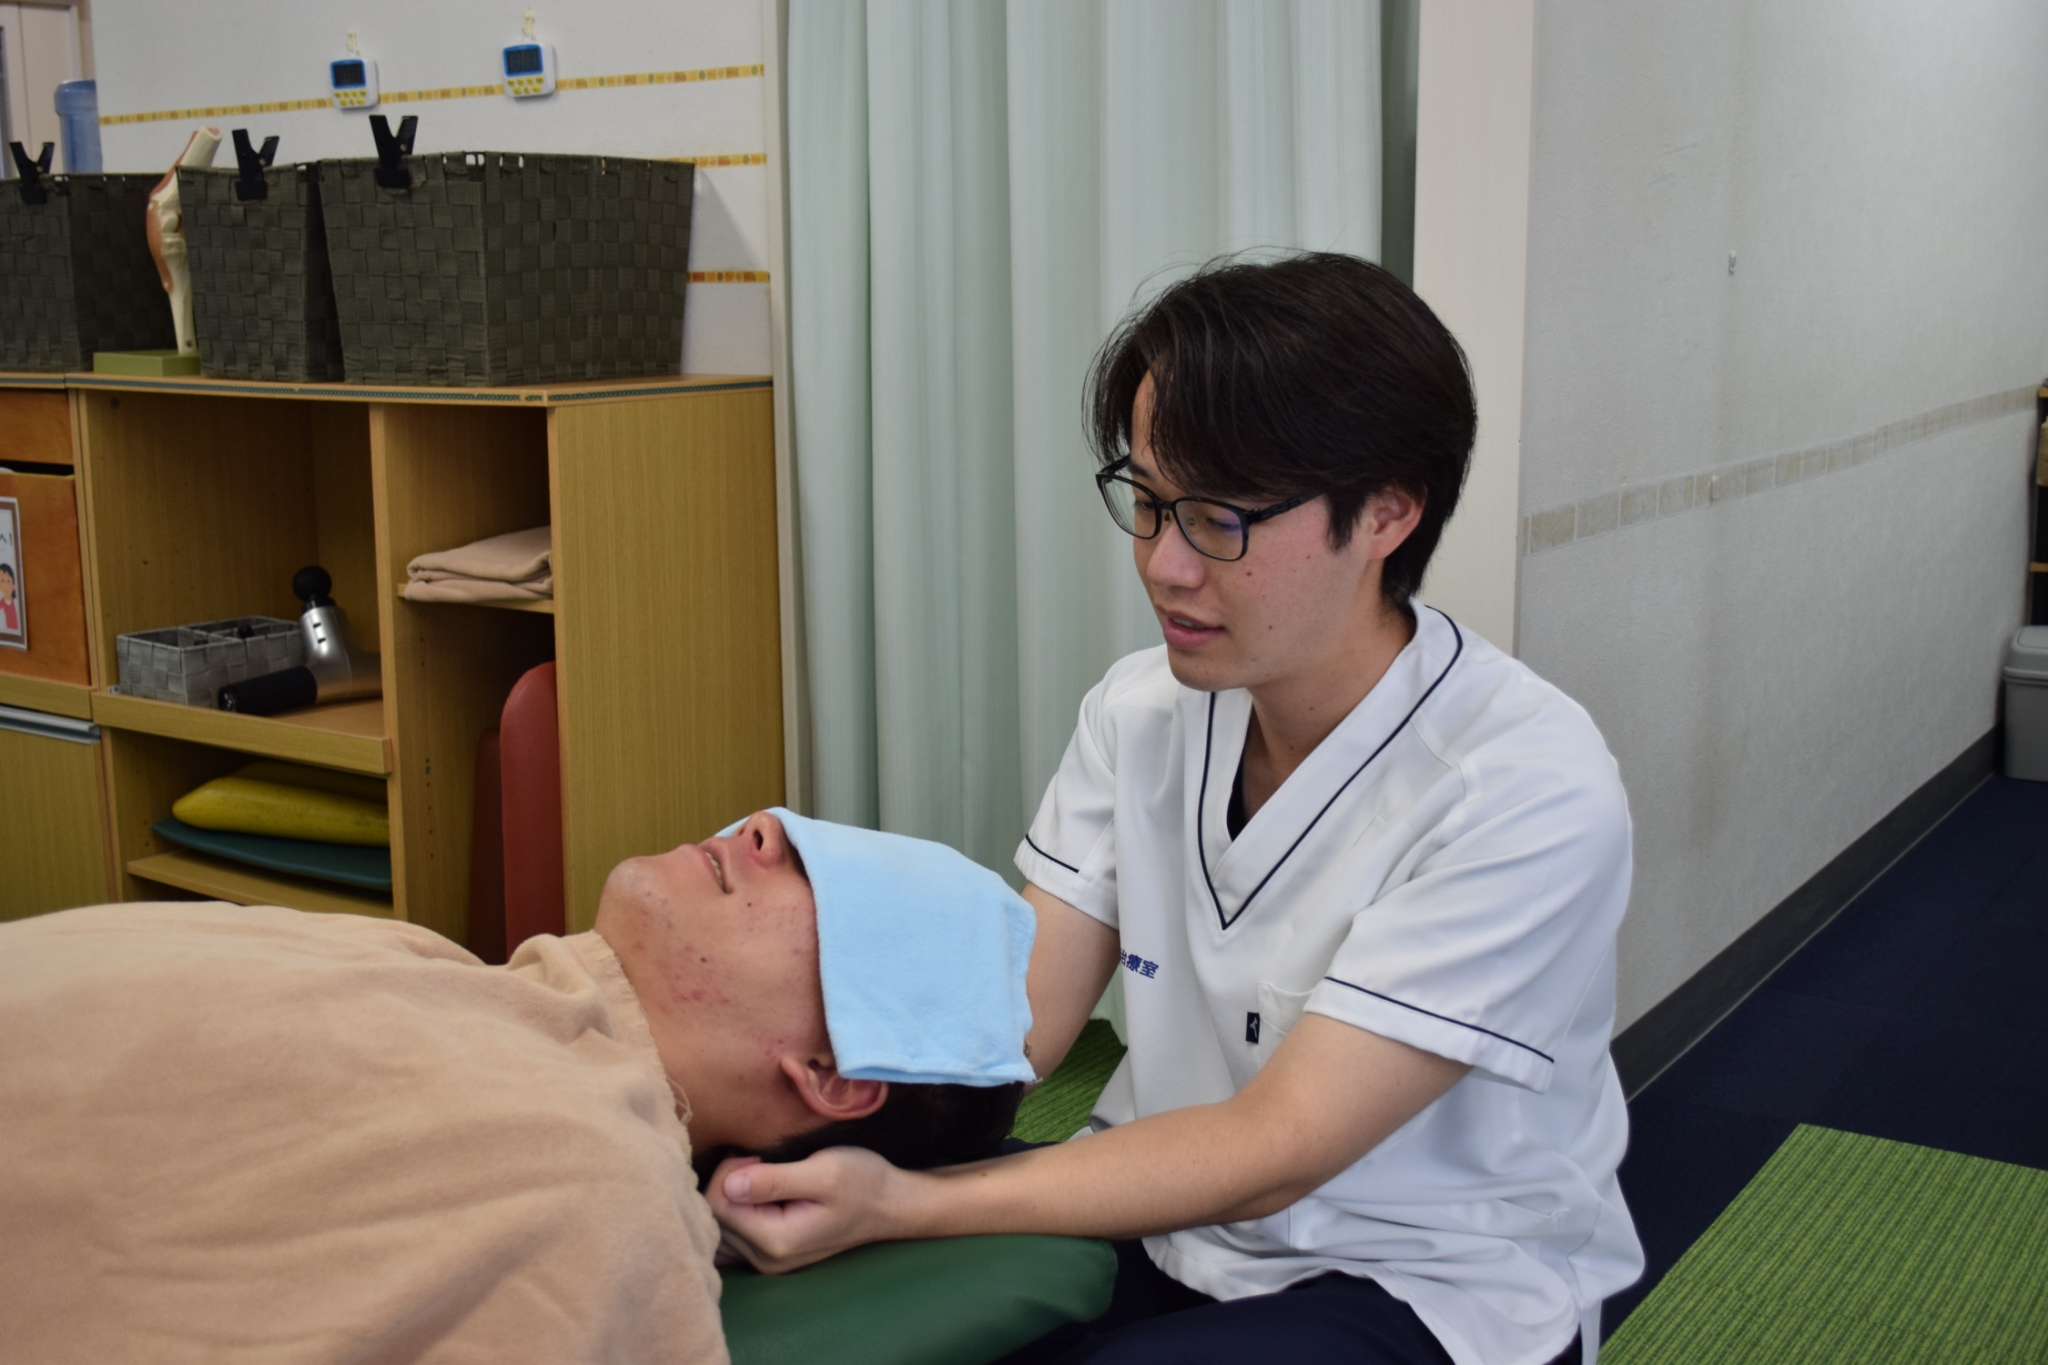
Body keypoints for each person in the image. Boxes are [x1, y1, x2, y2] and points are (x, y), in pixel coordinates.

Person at [710, 254, 1644, 1365]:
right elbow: (1017, 1022)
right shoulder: (1142, 710)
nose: (1163, 566)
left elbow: (1280, 1146)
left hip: (1421, 1276)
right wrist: (754, 1090)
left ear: (1387, 513)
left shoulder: (1522, 786)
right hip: (1158, 1209)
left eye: (1217, 519)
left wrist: (903, 1205)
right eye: (1149, 503)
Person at [0, 809, 1033, 1364]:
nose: (763, 829)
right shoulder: (429, 966)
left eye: (829, 884)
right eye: (792, 828)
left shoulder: (591, 1187)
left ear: (834, 1077)